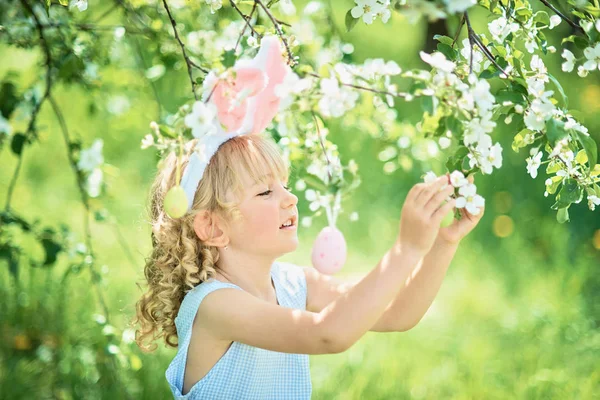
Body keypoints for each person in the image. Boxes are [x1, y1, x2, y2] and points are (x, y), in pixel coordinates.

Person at [132, 133, 484, 399]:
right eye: (265, 192)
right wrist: (406, 249)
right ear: (213, 227)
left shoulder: (292, 283)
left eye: (284, 185)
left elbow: (398, 314)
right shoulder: (215, 305)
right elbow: (328, 333)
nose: (290, 198)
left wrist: (444, 243)